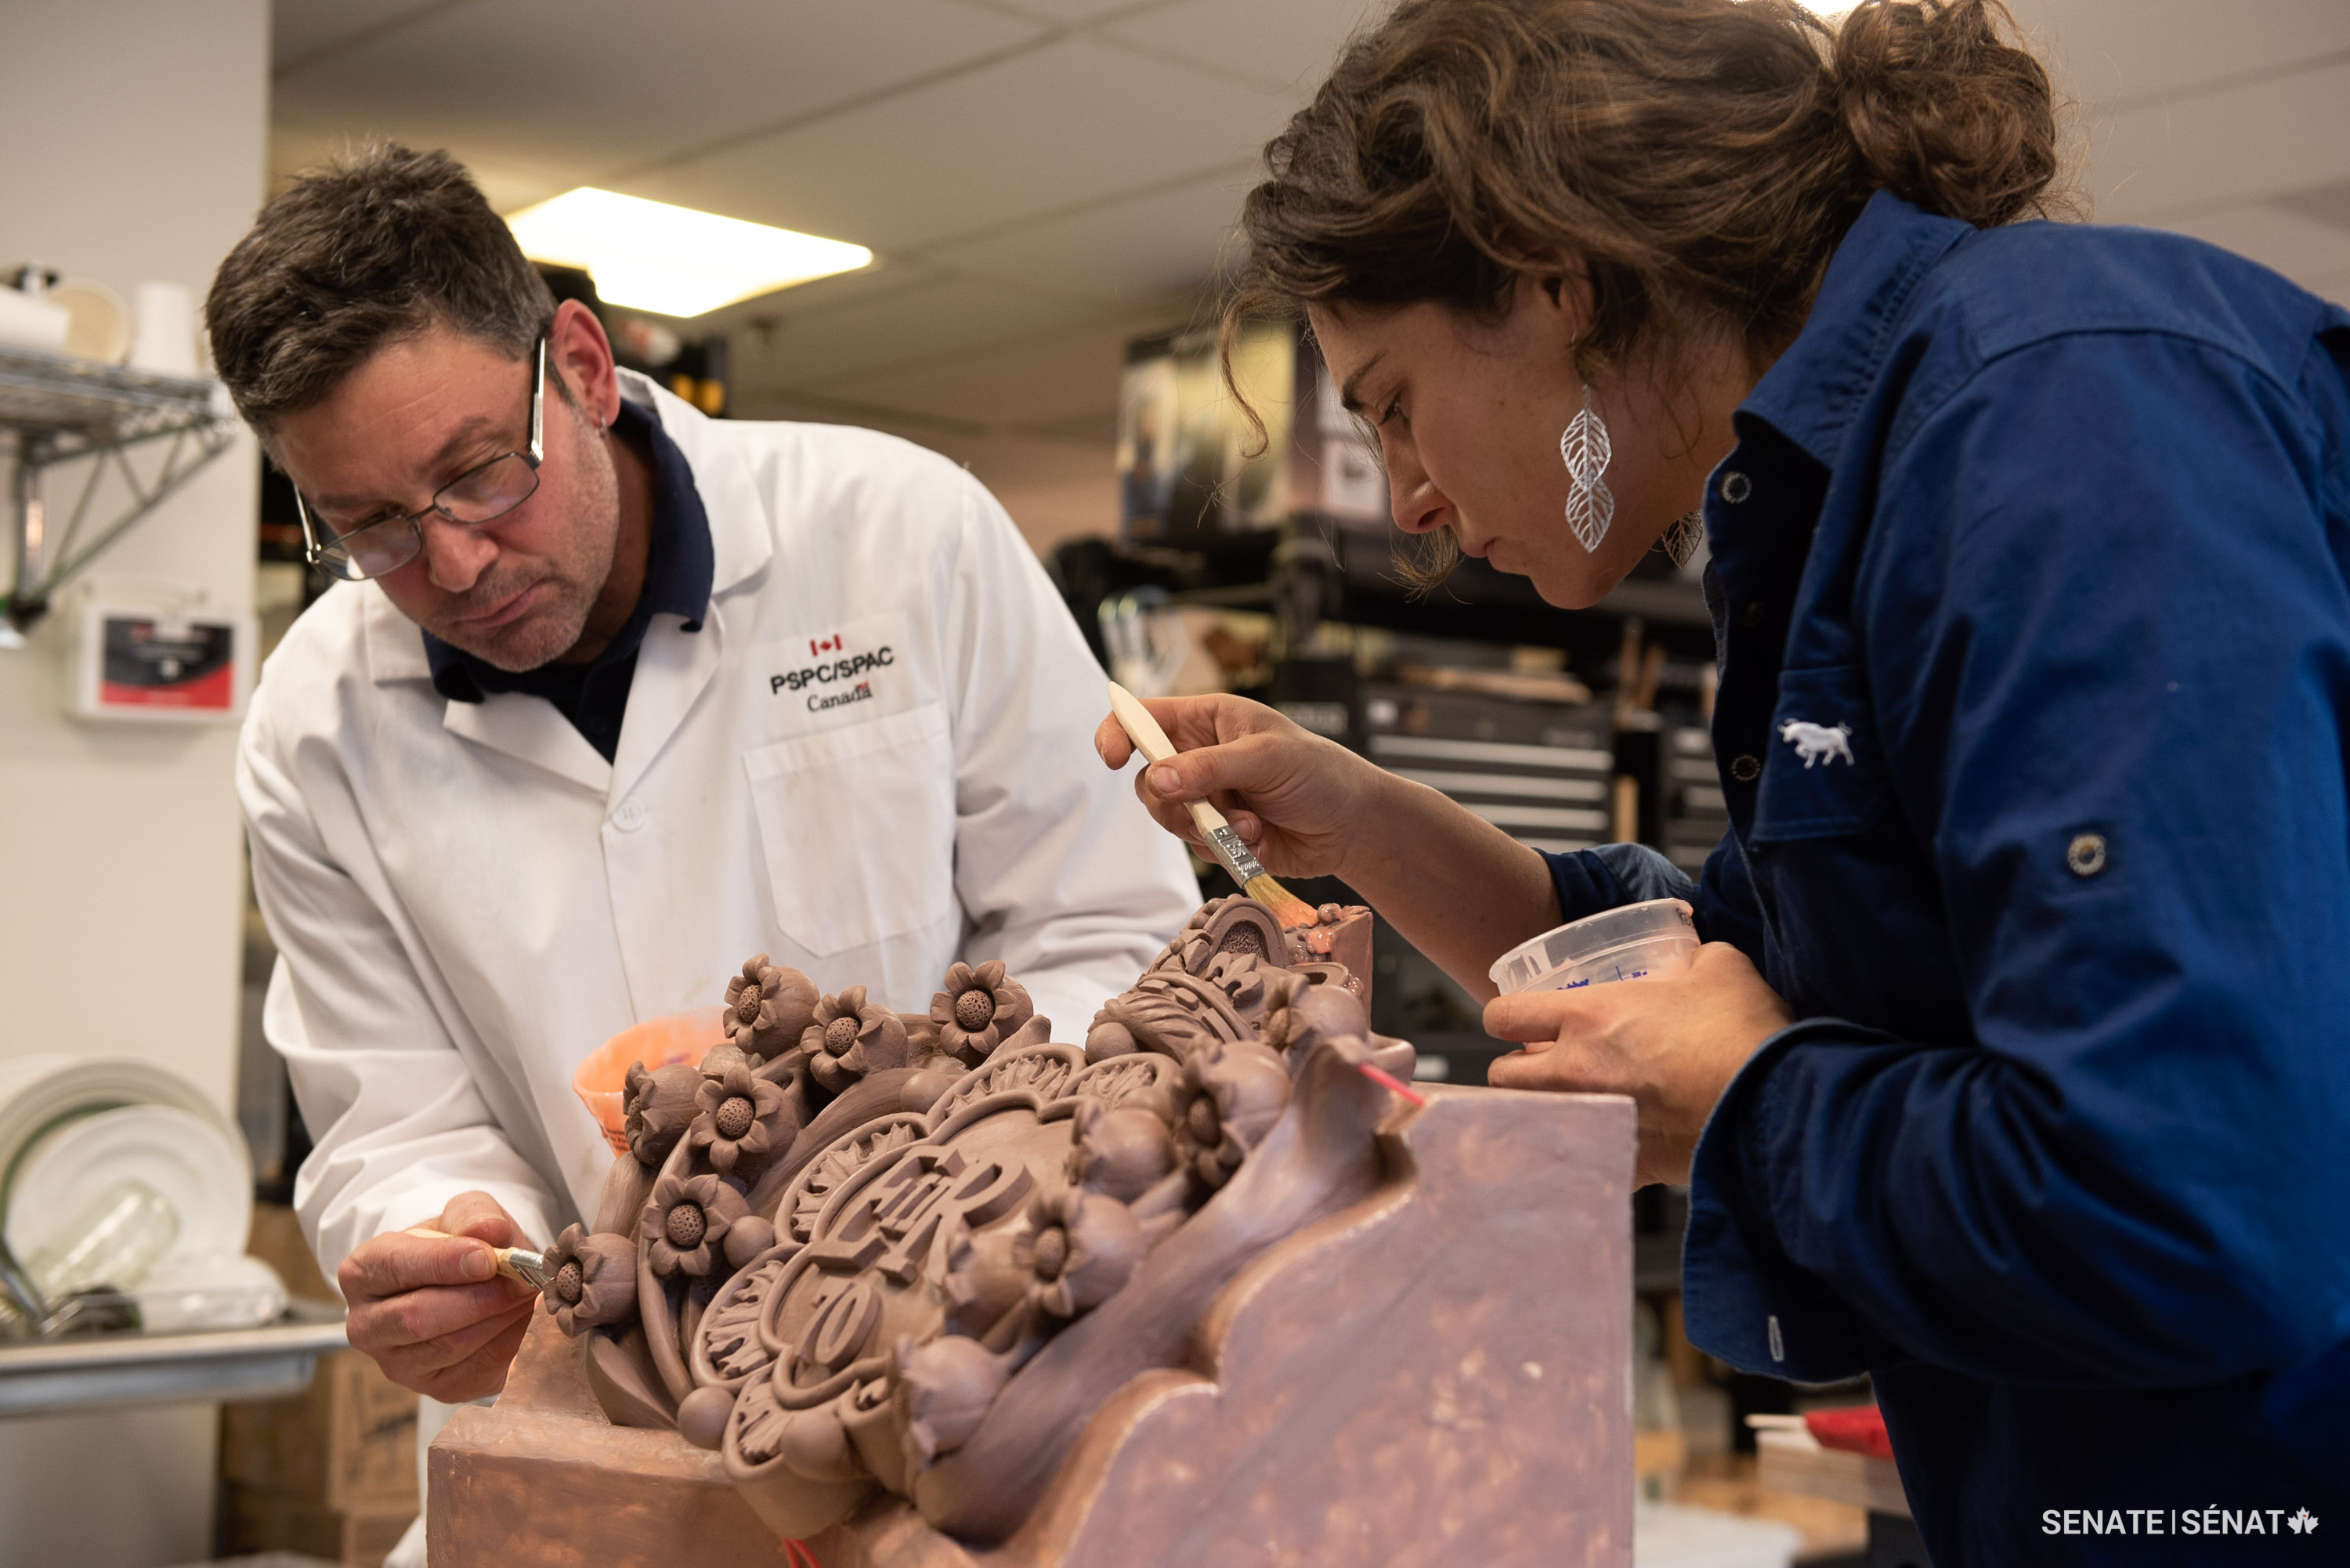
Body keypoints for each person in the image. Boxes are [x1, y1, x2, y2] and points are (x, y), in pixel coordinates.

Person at [1094, 1, 2350, 1561]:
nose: (1409, 494)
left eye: (1395, 402)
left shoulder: (2061, 408)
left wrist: (1751, 1101)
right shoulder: (1843, 500)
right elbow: (1702, 972)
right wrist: (1355, 813)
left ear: (1551, 274)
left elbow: (2199, 1200)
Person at [213, 146, 1198, 1408]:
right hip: (600, 1386)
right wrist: (449, 1233)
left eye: (477, 473)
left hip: (961, 1342)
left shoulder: (903, 534)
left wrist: (927, 1168)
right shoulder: (316, 720)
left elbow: (1113, 927)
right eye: (373, 525)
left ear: (578, 367)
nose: (452, 562)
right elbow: (390, 1116)